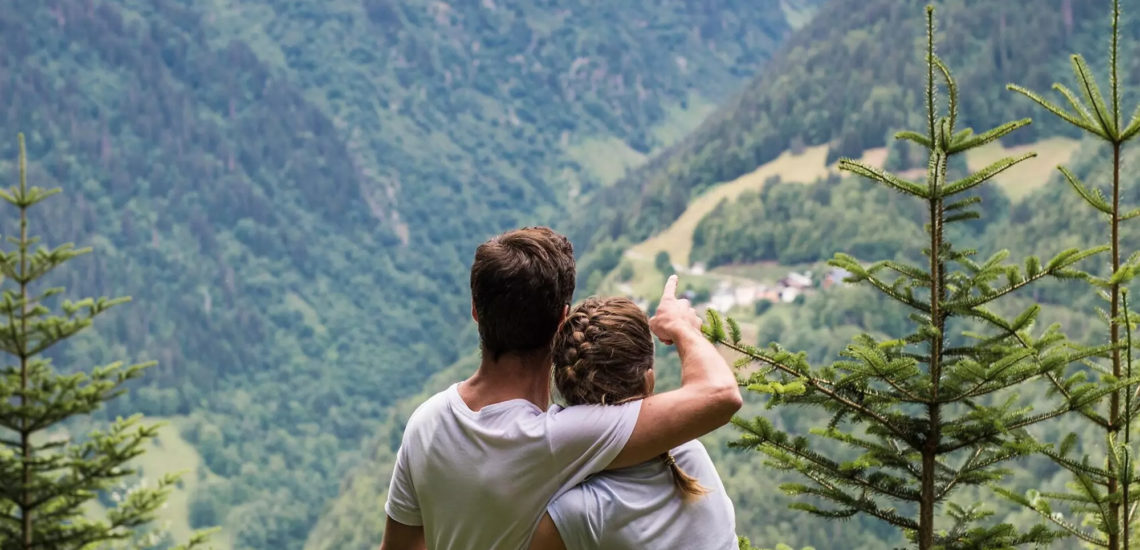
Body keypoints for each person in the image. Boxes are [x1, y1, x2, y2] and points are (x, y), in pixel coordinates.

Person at [380, 227, 740, 550]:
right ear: (561, 322)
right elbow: (721, 394)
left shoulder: (424, 422)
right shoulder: (558, 439)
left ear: (475, 310)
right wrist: (681, 327)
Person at [527, 296, 737, 550]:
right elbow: (718, 392)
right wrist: (682, 328)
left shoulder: (578, 514)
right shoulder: (690, 455)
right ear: (648, 382)